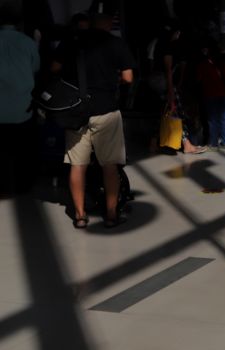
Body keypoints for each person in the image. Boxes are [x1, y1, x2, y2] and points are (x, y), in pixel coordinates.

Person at [52, 13, 135, 228]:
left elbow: (54, 69)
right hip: (106, 110)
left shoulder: (72, 41)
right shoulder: (115, 43)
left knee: (77, 165)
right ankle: (111, 214)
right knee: (109, 166)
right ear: (107, 24)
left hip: (76, 112)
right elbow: (128, 78)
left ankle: (80, 215)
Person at [0, 3, 40, 196]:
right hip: (22, 109)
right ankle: (22, 185)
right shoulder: (28, 43)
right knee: (23, 151)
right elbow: (34, 69)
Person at [150, 22, 206, 154]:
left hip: (155, 81)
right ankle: (187, 144)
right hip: (163, 83)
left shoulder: (156, 44)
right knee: (176, 111)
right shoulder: (167, 47)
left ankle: (153, 143)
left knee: (164, 113)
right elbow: (168, 71)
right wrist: (171, 92)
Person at [196, 44, 225, 150]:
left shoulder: (203, 65)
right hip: (222, 93)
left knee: (212, 119)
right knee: (223, 117)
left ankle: (213, 143)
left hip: (209, 94)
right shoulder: (221, 63)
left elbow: (198, 79)